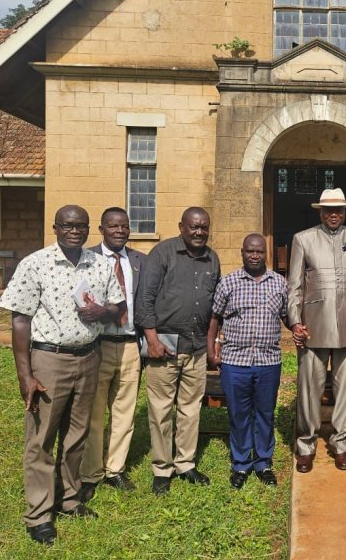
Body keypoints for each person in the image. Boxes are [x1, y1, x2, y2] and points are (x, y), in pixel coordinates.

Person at [0, 205, 125, 545]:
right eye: (67, 225)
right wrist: (25, 375)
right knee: (41, 439)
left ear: (88, 229)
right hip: (49, 360)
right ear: (55, 228)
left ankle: (69, 498)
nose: (74, 230)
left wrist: (102, 311)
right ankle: (39, 514)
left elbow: (117, 307)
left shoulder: (100, 264)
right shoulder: (36, 264)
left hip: (90, 357)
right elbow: (20, 321)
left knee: (77, 434)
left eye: (80, 225)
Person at [135, 207, 221, 495]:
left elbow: (214, 306)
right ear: (181, 226)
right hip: (165, 345)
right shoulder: (162, 253)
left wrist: (211, 343)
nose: (199, 232)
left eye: (204, 227)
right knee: (161, 409)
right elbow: (145, 299)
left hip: (196, 346)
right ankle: (162, 467)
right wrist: (152, 339)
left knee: (190, 408)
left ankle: (185, 463)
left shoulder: (212, 258)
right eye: (194, 226)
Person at [288, 188, 346, 473]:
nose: (333, 215)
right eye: (328, 210)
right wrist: (295, 321)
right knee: (309, 388)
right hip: (313, 325)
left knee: (345, 388)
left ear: (345, 212)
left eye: (338, 210)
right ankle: (306, 445)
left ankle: (341, 443)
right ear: (320, 212)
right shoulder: (303, 239)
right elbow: (295, 286)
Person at [207, 234, 289, 489]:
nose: (255, 256)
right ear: (242, 253)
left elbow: (288, 316)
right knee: (239, 414)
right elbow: (215, 318)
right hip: (235, 361)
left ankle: (263, 463)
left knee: (265, 413)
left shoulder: (280, 283)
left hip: (268, 361)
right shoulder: (228, 282)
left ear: (266, 254)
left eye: (259, 252)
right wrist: (211, 349)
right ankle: (241, 464)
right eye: (250, 251)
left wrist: (299, 327)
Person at [80, 207, 146, 501]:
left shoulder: (140, 261)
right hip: (98, 345)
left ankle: (115, 469)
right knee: (94, 414)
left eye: (124, 226)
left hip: (130, 345)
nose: (120, 230)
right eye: (113, 226)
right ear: (101, 229)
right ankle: (90, 473)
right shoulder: (86, 259)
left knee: (124, 412)